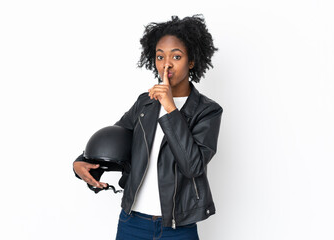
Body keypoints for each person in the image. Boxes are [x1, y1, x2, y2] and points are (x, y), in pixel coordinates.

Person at [73, 14, 223, 240]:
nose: (167, 64)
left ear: (191, 61)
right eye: (160, 56)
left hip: (178, 228)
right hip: (132, 222)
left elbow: (192, 166)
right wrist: (82, 161)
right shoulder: (145, 103)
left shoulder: (207, 111)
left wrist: (171, 109)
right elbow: (116, 141)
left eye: (177, 56)